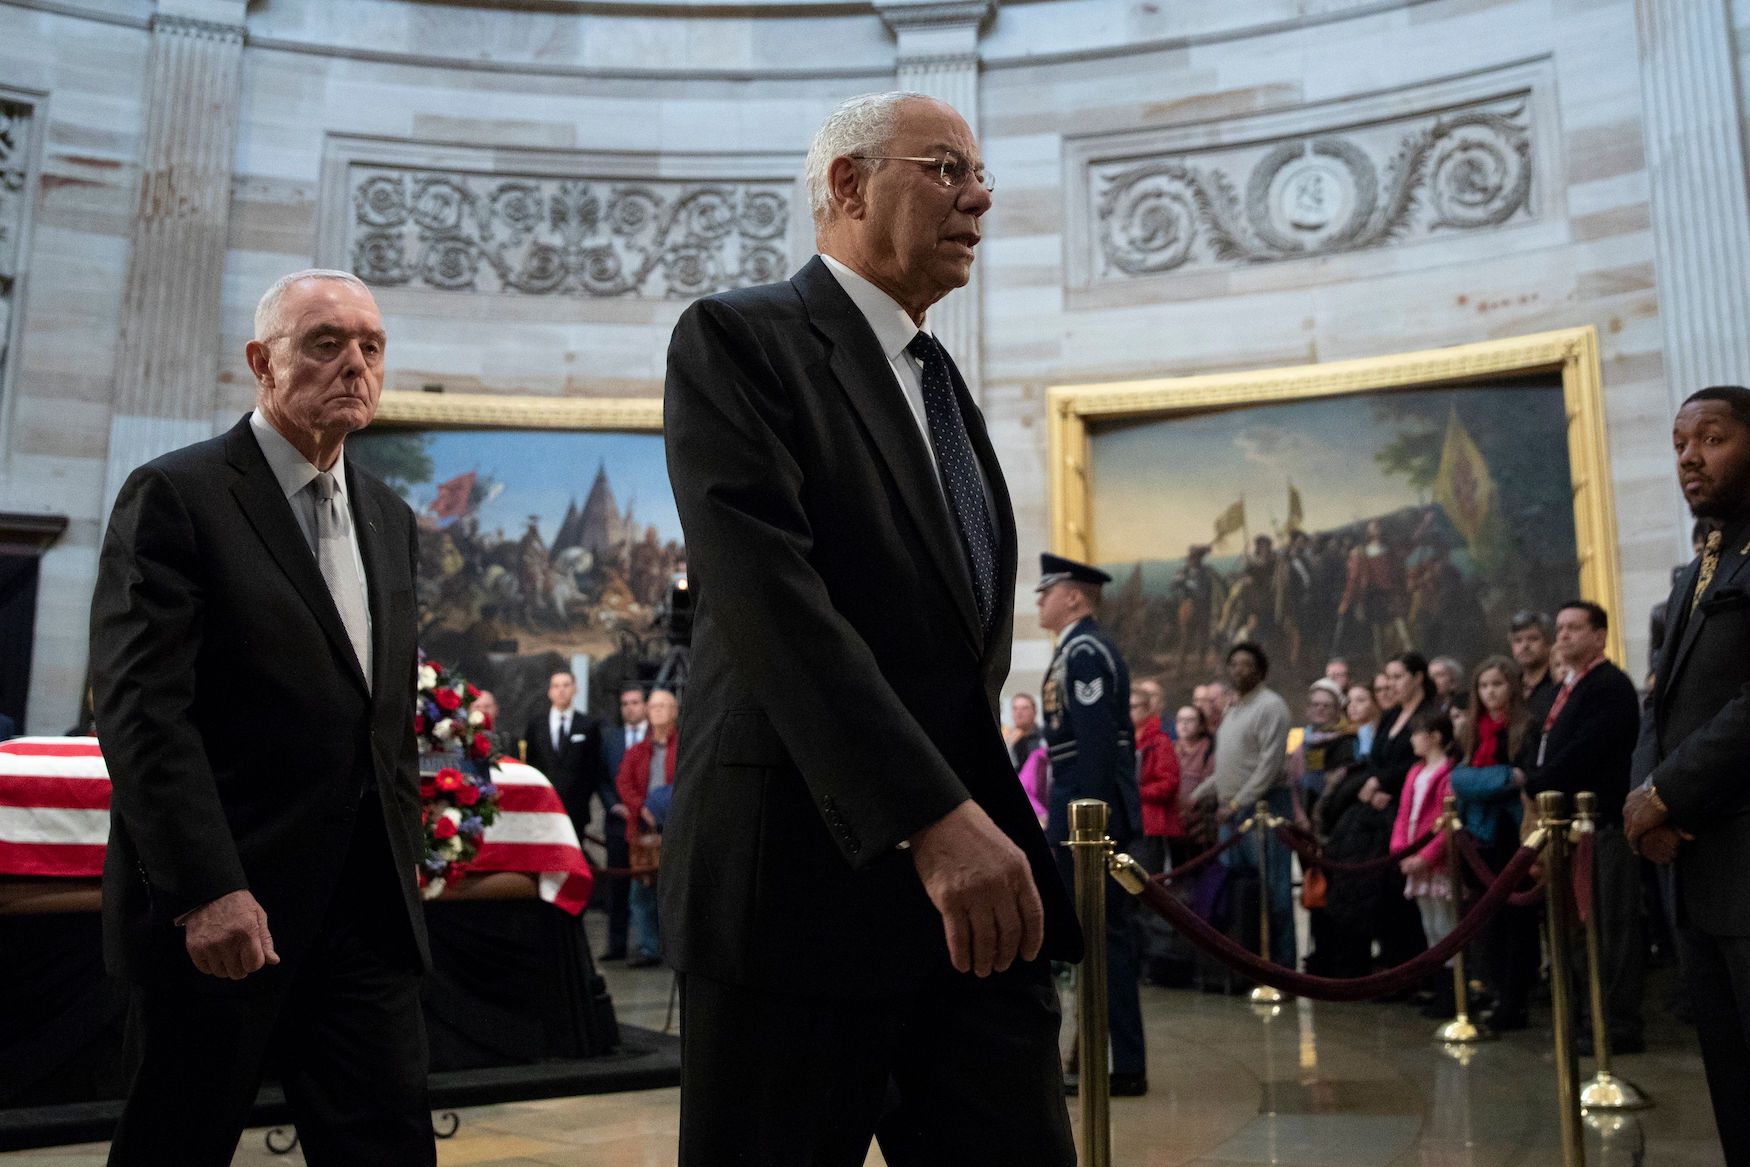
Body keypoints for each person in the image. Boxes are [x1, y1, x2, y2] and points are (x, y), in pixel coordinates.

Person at [661, 92, 1078, 1165]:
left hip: (971, 908)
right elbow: (771, 604)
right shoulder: (740, 339)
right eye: (944, 169)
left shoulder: (937, 381)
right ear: (847, 185)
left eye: (979, 176)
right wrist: (930, 817)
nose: (978, 198)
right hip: (796, 895)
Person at [88, 269, 434, 1165]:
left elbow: (382, 717)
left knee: (388, 1146)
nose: (355, 363)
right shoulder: (177, 495)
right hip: (226, 914)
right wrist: (206, 888)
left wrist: (409, 860)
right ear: (262, 361)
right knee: (177, 1145)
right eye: (326, 342)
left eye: (371, 344)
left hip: (365, 919)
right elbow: (141, 712)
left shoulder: (391, 518)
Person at [1627, 386, 1750, 1163]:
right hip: (1696, 867)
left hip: (1744, 848)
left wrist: (1666, 790)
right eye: (1678, 444)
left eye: (1710, 439)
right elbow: (1658, 700)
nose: (1689, 458)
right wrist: (1648, 797)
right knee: (1731, 1084)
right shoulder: (1700, 562)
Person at [1037, 552, 1146, 1096]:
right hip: (1078, 807)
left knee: (1106, 942)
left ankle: (1120, 1063)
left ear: (1074, 596)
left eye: (1047, 590)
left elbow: (1097, 746)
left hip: (1088, 812)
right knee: (1096, 941)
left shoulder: (1084, 653)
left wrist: (1091, 826)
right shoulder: (1075, 650)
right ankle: (1100, 1055)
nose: (1040, 599)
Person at [1521, 600, 1645, 1053]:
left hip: (1603, 822)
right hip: (1571, 823)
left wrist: (1540, 782)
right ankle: (1587, 1019)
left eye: (1575, 628)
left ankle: (1616, 1025)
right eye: (1560, 627)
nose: (1564, 635)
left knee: (1609, 925)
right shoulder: (1570, 686)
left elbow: (1588, 749)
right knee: (1577, 928)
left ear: (1600, 635)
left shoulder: (1609, 685)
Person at [1449, 655, 1538, 1030]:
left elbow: (1526, 776)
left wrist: (1486, 781)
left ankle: (1516, 998)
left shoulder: (1525, 727)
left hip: (1514, 832)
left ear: (1511, 687)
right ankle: (1497, 989)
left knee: (1519, 919)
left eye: (1497, 685)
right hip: (1481, 835)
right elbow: (1459, 780)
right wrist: (1502, 777)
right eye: (1484, 686)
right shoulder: (1472, 730)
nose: (1490, 692)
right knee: (1490, 921)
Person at [1193, 642, 1294, 969]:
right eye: (1233, 664)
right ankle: (1246, 963)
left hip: (1263, 809)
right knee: (1237, 890)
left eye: (1246, 664)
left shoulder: (1271, 707)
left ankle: (1283, 966)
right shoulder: (1234, 708)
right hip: (1230, 812)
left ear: (1260, 671)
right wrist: (1198, 796)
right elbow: (1228, 767)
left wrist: (1238, 802)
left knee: (1273, 891)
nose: (1238, 670)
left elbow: (1268, 766)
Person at [616, 689, 679, 968]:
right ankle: (649, 947)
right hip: (644, 832)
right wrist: (641, 807)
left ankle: (677, 950)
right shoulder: (637, 751)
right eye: (653, 706)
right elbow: (625, 782)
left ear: (675, 710)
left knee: (676, 892)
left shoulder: (685, 747)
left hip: (676, 829)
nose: (658, 711)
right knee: (641, 893)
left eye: (664, 706)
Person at [522, 670, 609, 848]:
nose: (561, 690)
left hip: (576, 810)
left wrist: (581, 799)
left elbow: (594, 768)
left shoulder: (588, 725)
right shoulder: (536, 725)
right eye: (556, 686)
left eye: (566, 685)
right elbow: (530, 763)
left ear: (575, 689)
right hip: (542, 808)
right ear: (549, 691)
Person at [595, 682, 647, 962]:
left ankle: (649, 946)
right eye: (625, 703)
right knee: (617, 887)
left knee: (648, 885)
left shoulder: (655, 737)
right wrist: (614, 804)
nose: (630, 708)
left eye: (635, 702)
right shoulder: (611, 738)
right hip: (617, 822)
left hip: (647, 824)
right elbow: (601, 776)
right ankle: (616, 946)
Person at [1133, 687, 1182, 875]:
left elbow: (1168, 783)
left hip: (1152, 822)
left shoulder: (1160, 741)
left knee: (1149, 881)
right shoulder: (1125, 740)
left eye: (1133, 706)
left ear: (1146, 709)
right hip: (1130, 822)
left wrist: (1137, 793)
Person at [1509, 610, 1559, 727]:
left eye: (1533, 639)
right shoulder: (1509, 685)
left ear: (1549, 643)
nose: (1524, 646)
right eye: (1518, 640)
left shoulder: (1559, 683)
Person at [1005, 692, 1044, 769]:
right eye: (1015, 708)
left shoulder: (1043, 737)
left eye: (1024, 708)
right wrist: (1009, 745)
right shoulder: (1007, 738)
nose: (1019, 713)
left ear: (1034, 712)